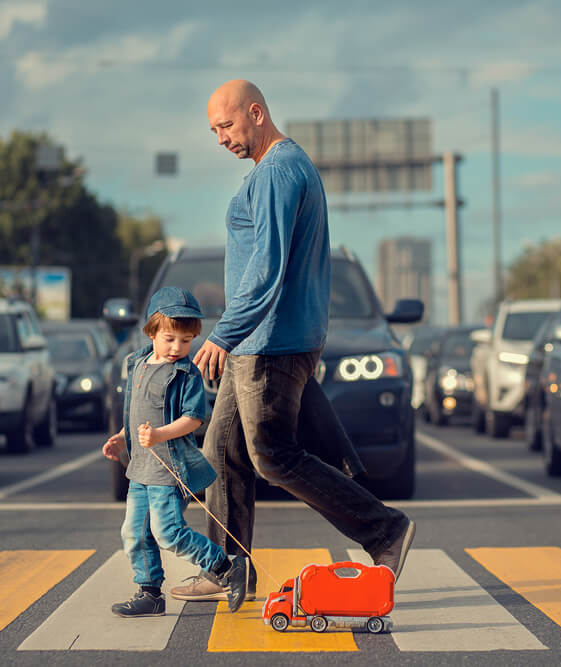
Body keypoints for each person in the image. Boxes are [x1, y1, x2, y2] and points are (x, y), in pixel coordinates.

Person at [169, 79, 415, 604]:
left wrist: (226, 333)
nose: (220, 139)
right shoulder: (272, 170)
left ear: (256, 113)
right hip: (259, 341)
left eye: (227, 126)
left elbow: (267, 267)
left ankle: (384, 530)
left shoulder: (279, 170)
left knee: (271, 456)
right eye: (213, 131)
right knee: (221, 452)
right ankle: (227, 567)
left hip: (270, 342)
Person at [101, 286, 248, 617]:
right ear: (152, 331)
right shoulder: (137, 364)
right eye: (169, 338)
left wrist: (159, 435)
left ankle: (225, 566)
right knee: (134, 533)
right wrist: (123, 436)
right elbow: (138, 412)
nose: (177, 347)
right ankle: (150, 592)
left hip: (169, 469)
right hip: (140, 469)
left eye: (186, 340)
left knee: (167, 531)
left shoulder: (187, 374)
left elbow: (194, 419)